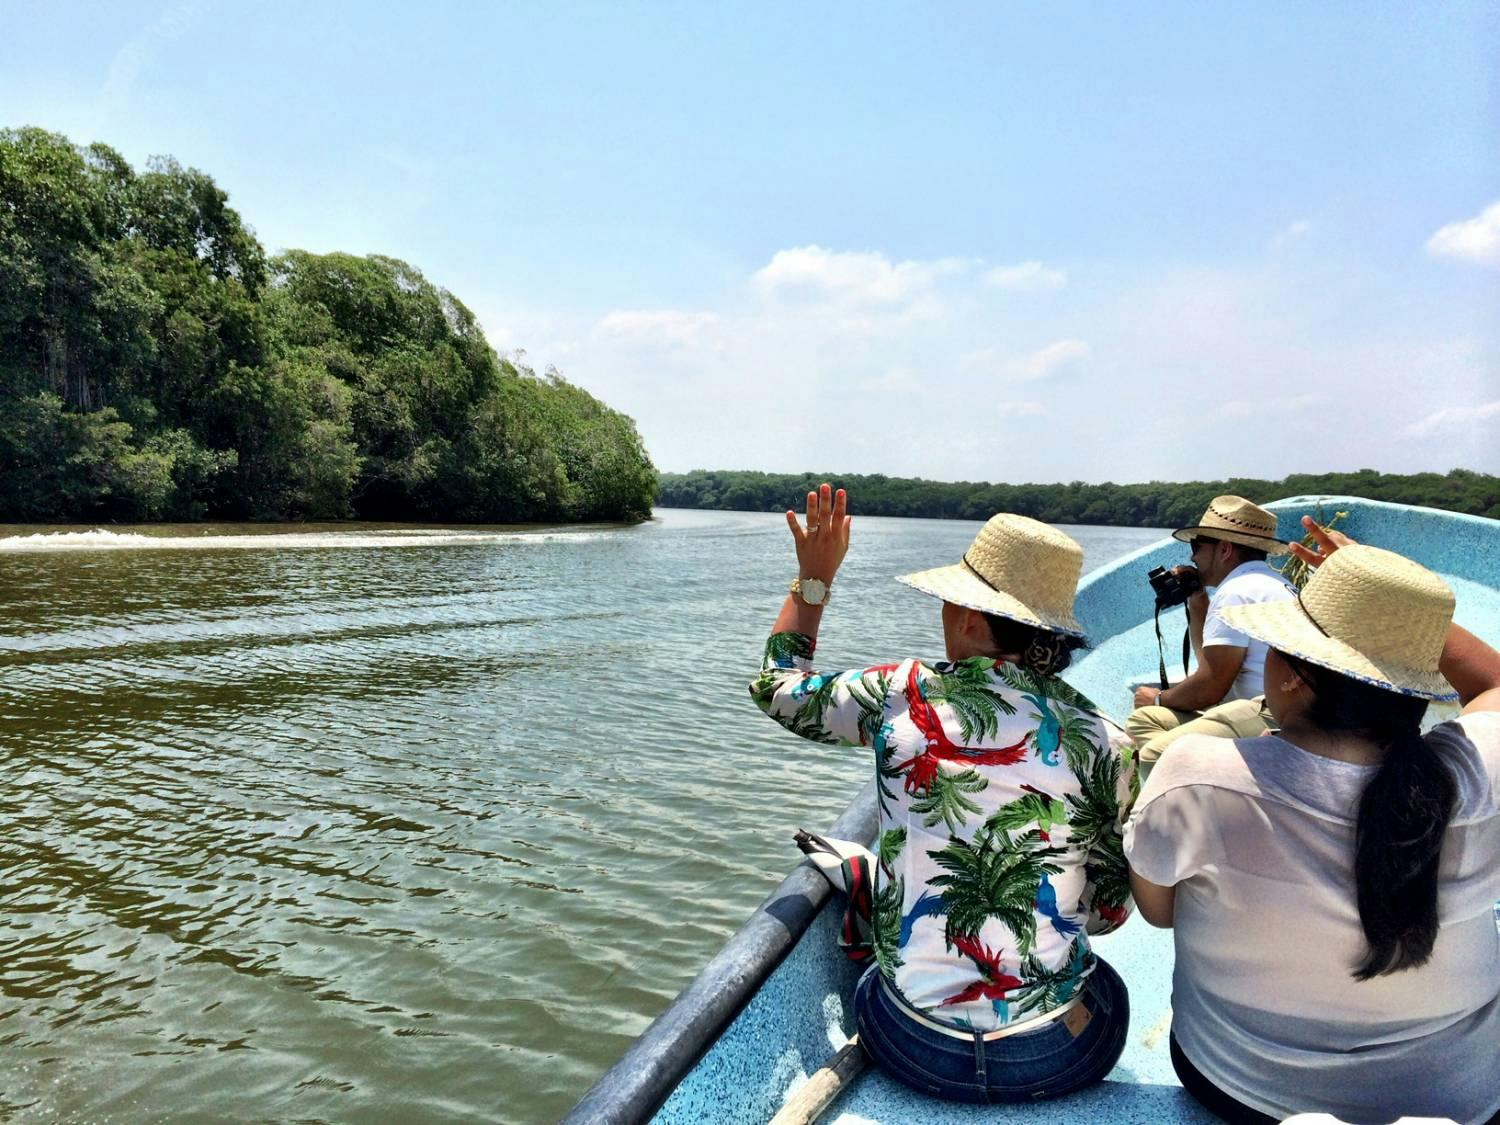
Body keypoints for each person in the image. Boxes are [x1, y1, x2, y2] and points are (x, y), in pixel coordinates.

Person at [751, 483, 1136, 1104]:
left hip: (910, 1043)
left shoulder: (901, 694)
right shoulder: (1107, 742)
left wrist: (812, 581)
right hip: (1052, 1057)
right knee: (1108, 990)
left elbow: (777, 688)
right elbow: (1109, 915)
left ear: (971, 618)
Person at [1124, 517, 1500, 1123]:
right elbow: (1495, 683)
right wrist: (1396, 611)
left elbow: (1159, 911)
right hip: (1464, 1093)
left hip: (1242, 1087)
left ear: (1292, 675)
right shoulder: (1480, 769)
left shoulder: (1197, 774)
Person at [1126, 495, 1296, 767]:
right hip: (1281, 709)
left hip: (1268, 712)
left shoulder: (1236, 591)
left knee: (1155, 754)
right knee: (1147, 720)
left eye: (1197, 546)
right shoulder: (1272, 583)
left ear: (1225, 549)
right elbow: (1211, 664)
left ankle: (1192, 796)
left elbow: (1211, 686)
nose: (1192, 557)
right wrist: (1197, 598)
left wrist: (1157, 697)